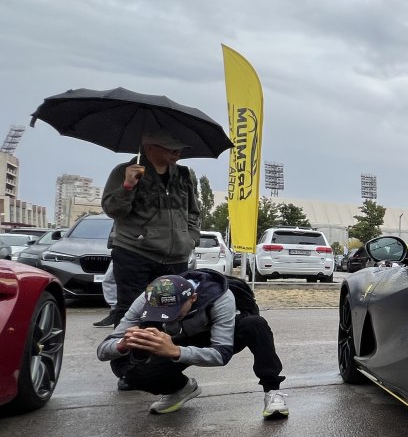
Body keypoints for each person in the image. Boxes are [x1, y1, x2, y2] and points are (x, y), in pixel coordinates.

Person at [96, 271, 289, 418]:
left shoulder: (220, 297)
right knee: (128, 371)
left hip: (216, 338)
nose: (168, 318)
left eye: (173, 312)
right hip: (174, 340)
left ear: (193, 299)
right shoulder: (146, 299)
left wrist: (175, 351)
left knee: (255, 324)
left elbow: (221, 355)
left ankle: (272, 391)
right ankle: (180, 389)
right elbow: (103, 351)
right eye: (159, 313)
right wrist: (122, 345)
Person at [101, 129, 201, 325]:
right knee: (131, 312)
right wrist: (128, 185)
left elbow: (193, 211)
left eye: (179, 149)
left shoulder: (183, 174)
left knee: (169, 313)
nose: (177, 153)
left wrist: (189, 239)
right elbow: (113, 210)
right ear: (148, 147)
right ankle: (125, 356)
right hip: (135, 254)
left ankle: (159, 355)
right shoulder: (124, 171)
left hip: (175, 258)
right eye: (171, 149)